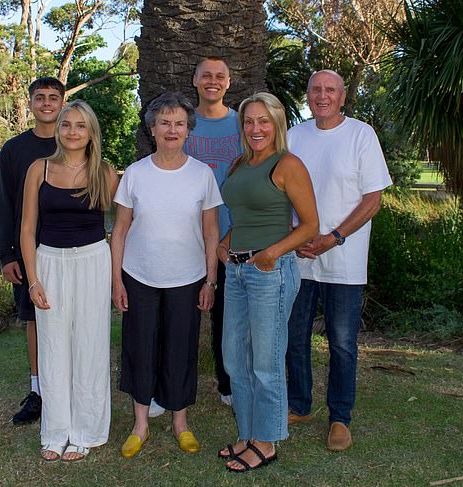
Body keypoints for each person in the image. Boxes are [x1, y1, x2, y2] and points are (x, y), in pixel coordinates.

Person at [111, 91, 223, 458]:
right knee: (140, 349)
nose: (172, 130)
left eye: (178, 123)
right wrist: (116, 281)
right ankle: (140, 425)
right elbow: (121, 231)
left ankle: (181, 423)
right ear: (153, 129)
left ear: (188, 130)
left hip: (187, 278)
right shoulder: (136, 174)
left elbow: (211, 232)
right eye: (164, 123)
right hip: (139, 276)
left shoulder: (202, 175)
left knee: (180, 350)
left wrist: (210, 280)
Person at [285, 70, 392, 452]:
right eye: (315, 89)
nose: (322, 95)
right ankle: (298, 404)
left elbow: (372, 200)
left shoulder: (361, 135)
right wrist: (293, 236)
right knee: (294, 336)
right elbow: (280, 192)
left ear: (343, 97)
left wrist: (334, 237)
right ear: (308, 96)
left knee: (342, 343)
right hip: (299, 257)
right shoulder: (294, 136)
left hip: (344, 259)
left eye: (330, 90)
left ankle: (339, 418)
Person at [218, 92, 318, 473]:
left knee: (266, 361)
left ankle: (267, 441)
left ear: (277, 123)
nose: (255, 128)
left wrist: (271, 253)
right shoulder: (240, 163)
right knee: (234, 358)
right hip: (237, 271)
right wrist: (224, 246)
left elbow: (310, 225)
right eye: (249, 121)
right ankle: (246, 434)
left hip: (268, 274)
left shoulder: (288, 164)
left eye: (263, 121)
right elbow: (240, 215)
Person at [20, 100, 119, 461]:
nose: (73, 132)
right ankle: (56, 431)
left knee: (90, 346)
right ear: (58, 129)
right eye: (66, 125)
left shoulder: (105, 174)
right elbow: (28, 228)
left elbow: (125, 223)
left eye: (81, 125)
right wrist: (33, 280)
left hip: (92, 261)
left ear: (91, 132)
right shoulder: (39, 169)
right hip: (49, 263)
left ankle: (86, 432)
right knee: (53, 346)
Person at [0, 77, 65, 425]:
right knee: (35, 320)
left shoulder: (76, 142)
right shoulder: (14, 150)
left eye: (54, 97)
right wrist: (6, 254)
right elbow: (4, 203)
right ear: (31, 102)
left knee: (69, 318)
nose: (47, 103)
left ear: (63, 103)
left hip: (71, 248)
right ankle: (38, 391)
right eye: (41, 97)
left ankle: (66, 389)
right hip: (28, 252)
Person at [183, 56, 242, 408]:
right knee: (181, 317)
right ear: (195, 79)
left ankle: (228, 385)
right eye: (206, 75)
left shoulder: (242, 123)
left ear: (228, 82)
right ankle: (172, 387)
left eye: (220, 76)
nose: (212, 81)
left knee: (228, 319)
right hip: (187, 239)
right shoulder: (183, 123)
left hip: (232, 238)